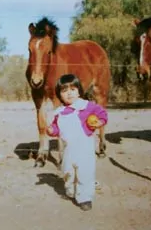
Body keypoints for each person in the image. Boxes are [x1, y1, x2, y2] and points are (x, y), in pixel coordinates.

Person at [47, 74, 108, 211]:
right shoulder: (60, 112)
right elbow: (57, 128)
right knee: (68, 171)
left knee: (84, 172)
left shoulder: (87, 106)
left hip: (85, 147)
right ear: (59, 95)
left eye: (73, 89)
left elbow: (102, 113)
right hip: (68, 149)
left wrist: (100, 122)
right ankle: (70, 190)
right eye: (64, 90)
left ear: (79, 90)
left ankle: (85, 197)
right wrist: (51, 130)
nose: (69, 93)